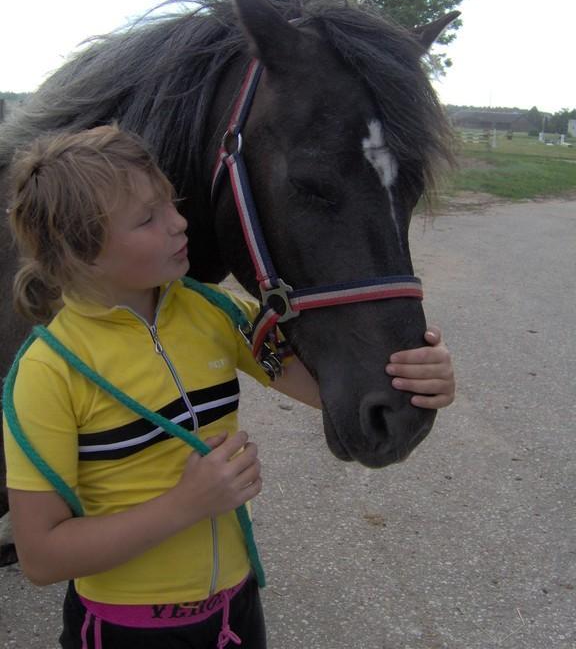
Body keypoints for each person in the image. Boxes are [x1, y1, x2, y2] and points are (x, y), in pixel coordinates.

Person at [2, 124, 455, 649]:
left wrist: (417, 377)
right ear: (79, 252)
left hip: (235, 614)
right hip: (124, 630)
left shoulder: (216, 312)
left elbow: (327, 387)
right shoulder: (49, 371)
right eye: (148, 217)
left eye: (172, 204)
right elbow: (41, 556)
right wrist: (186, 504)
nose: (178, 224)